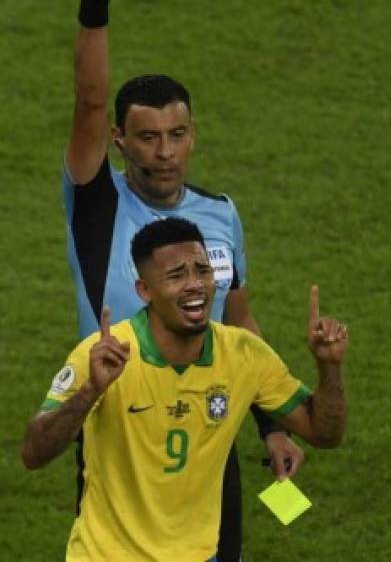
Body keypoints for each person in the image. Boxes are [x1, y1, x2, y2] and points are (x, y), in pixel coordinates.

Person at [65, 0, 302, 560]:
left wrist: (272, 424)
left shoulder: (220, 214)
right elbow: (89, 99)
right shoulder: (97, 202)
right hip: (123, 421)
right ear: (120, 140)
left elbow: (240, 323)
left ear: (193, 135)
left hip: (208, 421)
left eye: (176, 135)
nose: (164, 152)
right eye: (146, 138)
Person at [22, 217, 348, 562]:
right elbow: (33, 452)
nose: (195, 284)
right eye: (176, 276)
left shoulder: (244, 354)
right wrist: (90, 390)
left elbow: (324, 433)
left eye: (202, 271)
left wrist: (328, 366)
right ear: (144, 290)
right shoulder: (105, 355)